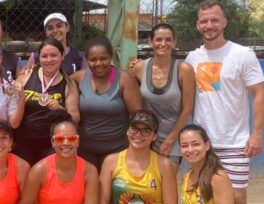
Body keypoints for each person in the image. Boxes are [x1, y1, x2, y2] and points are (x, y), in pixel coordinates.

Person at [186, 0, 264, 204]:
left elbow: (259, 94)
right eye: (204, 21)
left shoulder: (242, 54)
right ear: (197, 25)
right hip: (203, 145)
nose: (209, 25)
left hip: (235, 142)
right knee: (203, 197)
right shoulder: (193, 58)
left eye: (214, 20)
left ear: (224, 22)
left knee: (237, 199)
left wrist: (257, 135)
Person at [72, 36, 143, 171]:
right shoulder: (78, 78)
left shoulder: (124, 79)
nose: (98, 63)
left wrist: (137, 148)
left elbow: (137, 115)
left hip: (117, 149)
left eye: (103, 58)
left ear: (110, 57)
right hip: (85, 150)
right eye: (93, 60)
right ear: (87, 60)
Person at [130, 23, 195, 163]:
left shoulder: (184, 69)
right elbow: (131, 101)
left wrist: (171, 139)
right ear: (150, 41)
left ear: (174, 42)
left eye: (168, 39)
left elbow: (187, 109)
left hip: (173, 137)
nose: (163, 44)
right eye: (158, 39)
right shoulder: (139, 68)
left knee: (167, 182)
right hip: (145, 137)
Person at [13, 38, 79, 165]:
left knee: (48, 181)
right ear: (39, 58)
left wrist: (60, 110)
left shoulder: (69, 84)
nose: (49, 60)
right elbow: (11, 107)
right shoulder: (27, 75)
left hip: (51, 144)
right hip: (23, 142)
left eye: (54, 55)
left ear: (62, 56)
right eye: (44, 56)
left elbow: (75, 118)